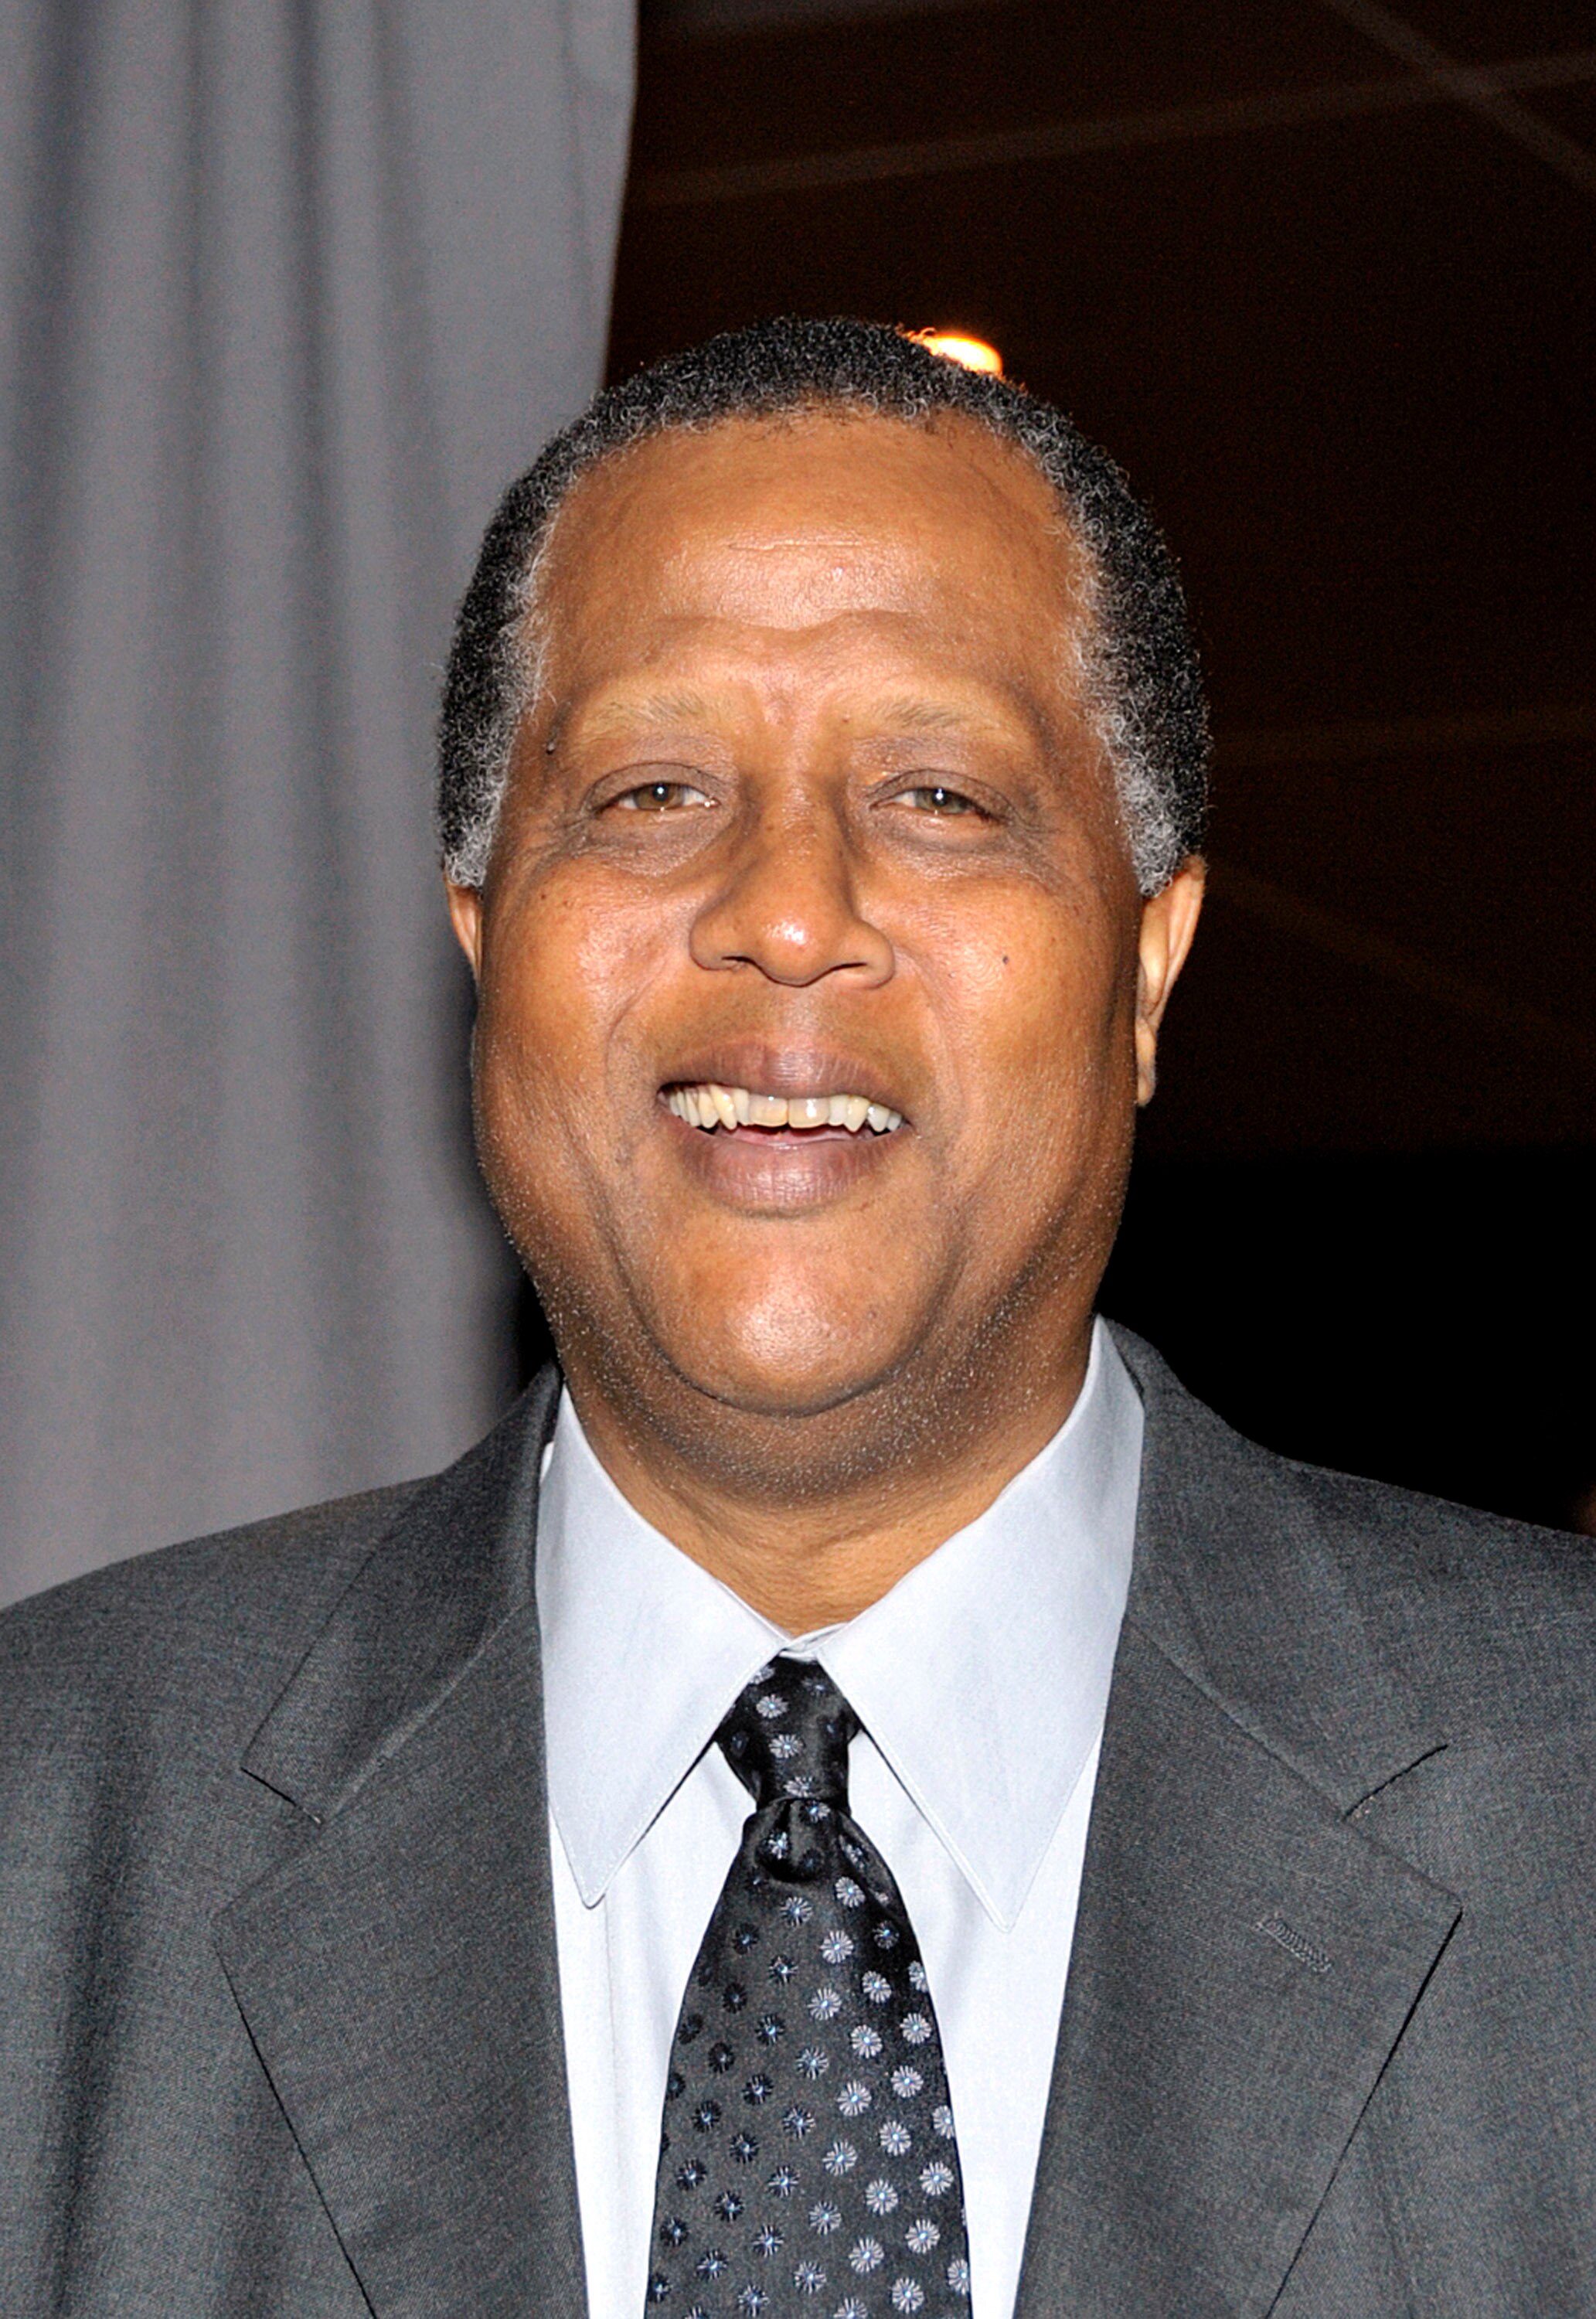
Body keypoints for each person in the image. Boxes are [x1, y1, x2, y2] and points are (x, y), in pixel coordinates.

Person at [2, 318, 1591, 2319]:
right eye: (654, 788)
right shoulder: (46, 1828)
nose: (784, 904)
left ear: (1144, 970)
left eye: (933, 793)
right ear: (486, 940)